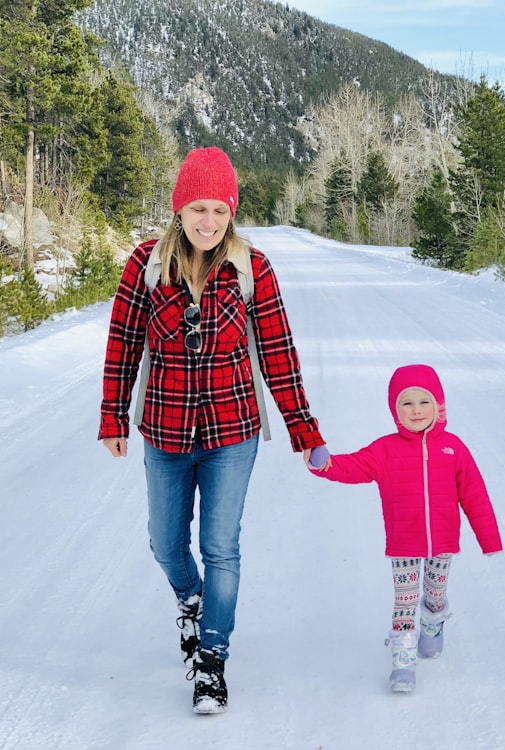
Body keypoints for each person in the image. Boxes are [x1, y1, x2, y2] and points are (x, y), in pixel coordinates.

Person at [99, 147, 326, 715]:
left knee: (221, 546)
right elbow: (123, 344)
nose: (208, 221)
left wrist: (304, 429)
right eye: (197, 208)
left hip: (232, 432)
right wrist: (112, 415)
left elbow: (277, 353)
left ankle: (211, 661)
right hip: (166, 429)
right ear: (179, 209)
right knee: (165, 543)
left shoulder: (252, 268)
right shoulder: (145, 265)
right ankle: (192, 601)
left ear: (231, 213)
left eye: (219, 211)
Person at [307, 363, 501, 692]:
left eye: (423, 401)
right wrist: (323, 463)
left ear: (438, 405)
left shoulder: (453, 448)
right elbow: (352, 466)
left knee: (435, 595)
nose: (416, 410)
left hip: (443, 542)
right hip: (403, 542)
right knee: (404, 601)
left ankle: (434, 622)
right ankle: (403, 663)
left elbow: (475, 495)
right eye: (406, 403)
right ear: (395, 410)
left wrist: (489, 539)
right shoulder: (386, 449)